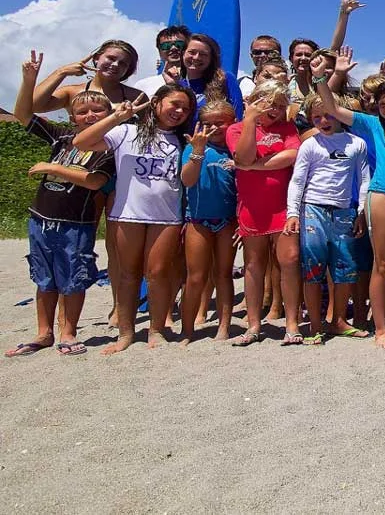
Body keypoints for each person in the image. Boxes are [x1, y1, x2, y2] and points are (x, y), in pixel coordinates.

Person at [312, 53, 385, 349]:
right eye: (384, 104)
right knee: (382, 263)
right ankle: (380, 329)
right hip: (383, 196)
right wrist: (323, 77)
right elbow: (332, 108)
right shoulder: (372, 124)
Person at [4, 51, 114, 358]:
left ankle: (68, 332)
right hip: (40, 219)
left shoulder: (107, 148)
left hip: (75, 225)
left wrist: (53, 168)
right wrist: (31, 79)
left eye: (98, 111)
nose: (90, 116)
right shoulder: (61, 138)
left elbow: (94, 181)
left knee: (73, 279)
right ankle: (44, 332)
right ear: (71, 117)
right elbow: (24, 115)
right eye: (84, 112)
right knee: (44, 279)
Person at [73, 84, 192, 354]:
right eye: (174, 104)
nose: (179, 111)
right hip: (128, 213)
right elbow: (81, 142)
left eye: (185, 108)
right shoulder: (126, 131)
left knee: (159, 273)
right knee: (127, 274)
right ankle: (125, 333)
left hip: (167, 216)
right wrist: (115, 117)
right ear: (156, 101)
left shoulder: (182, 139)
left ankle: (156, 330)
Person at [282, 91, 371, 345]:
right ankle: (315, 324)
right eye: (317, 117)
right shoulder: (310, 145)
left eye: (329, 114)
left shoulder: (356, 144)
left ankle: (339, 320)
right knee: (313, 268)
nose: (324, 121)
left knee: (344, 268)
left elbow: (363, 180)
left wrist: (361, 212)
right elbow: (297, 181)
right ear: (311, 119)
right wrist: (292, 213)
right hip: (313, 209)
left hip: (344, 211)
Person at [225, 81, 302, 346]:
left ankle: (292, 324)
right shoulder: (236, 128)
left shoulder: (287, 128)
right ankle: (254, 324)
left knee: (290, 261)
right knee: (253, 266)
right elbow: (243, 156)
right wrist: (249, 121)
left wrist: (254, 167)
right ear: (256, 100)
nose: (275, 110)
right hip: (252, 209)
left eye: (281, 106)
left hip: (284, 206)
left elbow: (292, 154)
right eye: (270, 103)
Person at [178, 101, 238, 344]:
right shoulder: (194, 147)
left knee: (223, 274)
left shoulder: (235, 150)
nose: (214, 127)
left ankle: (224, 326)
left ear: (232, 122)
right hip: (198, 219)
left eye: (220, 122)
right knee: (195, 277)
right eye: (208, 123)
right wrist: (198, 152)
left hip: (227, 220)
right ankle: (187, 329)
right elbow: (187, 180)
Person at [33, 40, 143, 112]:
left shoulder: (136, 97)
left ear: (128, 69)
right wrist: (61, 72)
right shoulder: (72, 93)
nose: (115, 65)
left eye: (123, 63)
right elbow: (34, 106)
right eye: (111, 58)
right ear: (96, 58)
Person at [181, 33, 244, 124]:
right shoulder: (178, 85)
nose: (196, 57)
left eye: (203, 54)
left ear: (211, 59)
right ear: (183, 54)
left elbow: (238, 117)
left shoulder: (225, 79)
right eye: (192, 52)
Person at [135, 26, 191, 95]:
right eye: (166, 45)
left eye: (179, 44)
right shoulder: (143, 85)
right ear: (159, 51)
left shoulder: (204, 82)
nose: (173, 48)